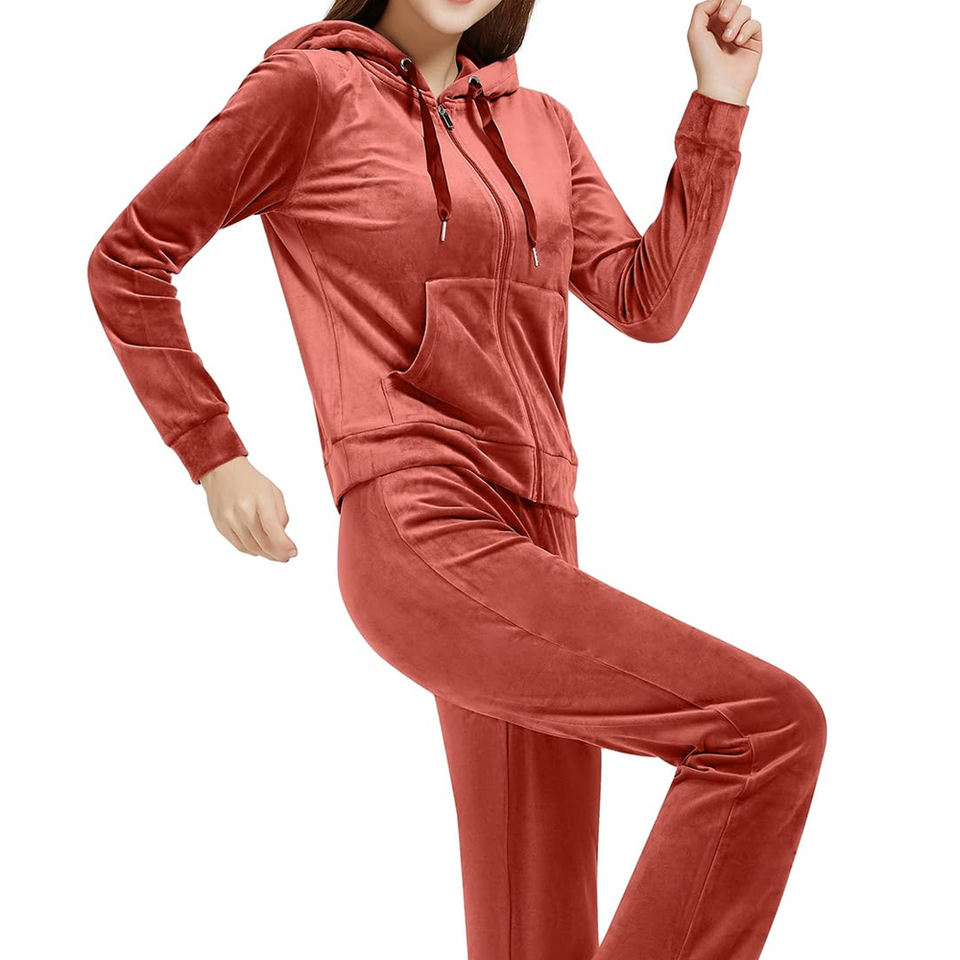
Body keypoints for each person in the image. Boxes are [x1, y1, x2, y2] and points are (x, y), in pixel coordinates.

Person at [87, 2, 825, 959]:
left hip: (542, 531)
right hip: (419, 520)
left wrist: (717, 107)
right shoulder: (312, 90)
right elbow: (130, 258)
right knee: (763, 732)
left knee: (539, 936)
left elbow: (648, 301)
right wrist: (214, 451)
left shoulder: (542, 122)